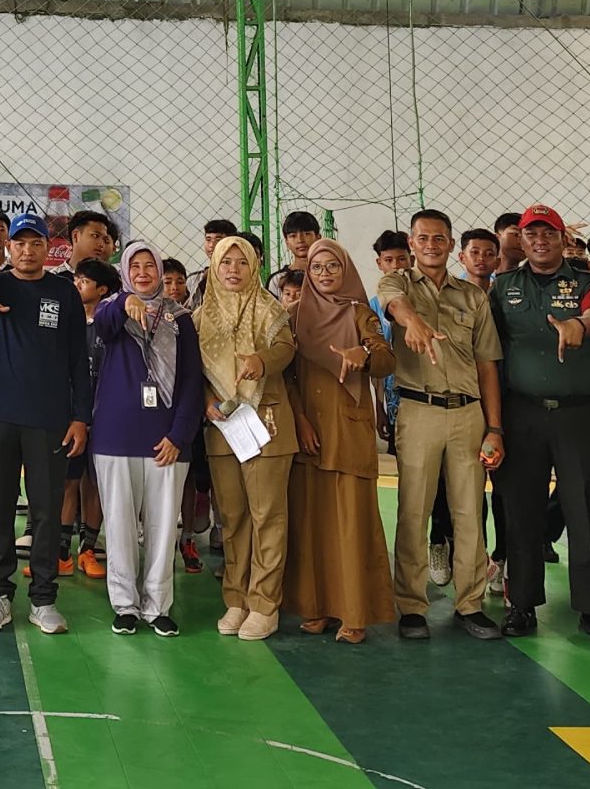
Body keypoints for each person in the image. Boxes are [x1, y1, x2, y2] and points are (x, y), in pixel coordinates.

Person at [483, 203, 590, 644]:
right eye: (531, 234)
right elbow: (487, 348)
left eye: (549, 233)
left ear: (563, 239)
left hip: (579, 413)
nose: (540, 241)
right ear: (520, 240)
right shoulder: (503, 287)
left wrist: (578, 324)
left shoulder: (587, 281)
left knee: (586, 512)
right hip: (522, 413)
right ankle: (521, 605)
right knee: (521, 511)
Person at [377, 209, 503, 641]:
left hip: (468, 413)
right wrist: (412, 321)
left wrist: (494, 427)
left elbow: (487, 364)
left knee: (469, 511)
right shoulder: (398, 283)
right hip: (419, 410)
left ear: (451, 245)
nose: (431, 245)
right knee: (414, 510)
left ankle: (470, 603)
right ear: (411, 244)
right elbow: (392, 303)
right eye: (423, 238)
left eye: (439, 238)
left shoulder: (472, 297)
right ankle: (412, 606)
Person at [0, 213, 91, 635]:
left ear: (47, 248)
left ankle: (43, 598)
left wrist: (80, 417)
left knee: (46, 511)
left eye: (35, 243)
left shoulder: (63, 292)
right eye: (19, 243)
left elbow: (78, 360)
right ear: (8, 247)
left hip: (49, 420)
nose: (27, 250)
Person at [285, 239, 393, 643]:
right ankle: (315, 608)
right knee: (312, 522)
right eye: (317, 268)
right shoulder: (294, 315)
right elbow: (287, 375)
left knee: (351, 524)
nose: (325, 274)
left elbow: (387, 359)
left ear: (345, 269)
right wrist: (299, 420)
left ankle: (354, 613)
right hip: (309, 431)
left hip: (349, 430)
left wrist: (364, 354)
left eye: (333, 266)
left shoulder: (360, 313)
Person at [90, 240, 200, 637]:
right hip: (116, 437)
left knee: (163, 527)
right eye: (134, 266)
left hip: (166, 442)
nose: (142, 273)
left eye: (148, 266)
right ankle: (125, 605)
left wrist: (179, 435)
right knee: (119, 525)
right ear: (124, 272)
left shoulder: (180, 319)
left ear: (159, 271)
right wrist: (125, 302)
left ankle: (158, 606)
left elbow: (192, 382)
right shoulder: (112, 310)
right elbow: (103, 325)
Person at [194, 234, 295, 641]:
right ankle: (235, 599)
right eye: (226, 262)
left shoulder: (271, 309)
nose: (233, 270)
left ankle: (264, 604)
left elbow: (286, 349)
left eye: (242, 262)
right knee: (232, 518)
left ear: (254, 267)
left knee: (267, 517)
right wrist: (207, 400)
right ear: (214, 267)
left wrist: (261, 360)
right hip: (223, 429)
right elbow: (192, 372)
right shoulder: (200, 318)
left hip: (267, 424)